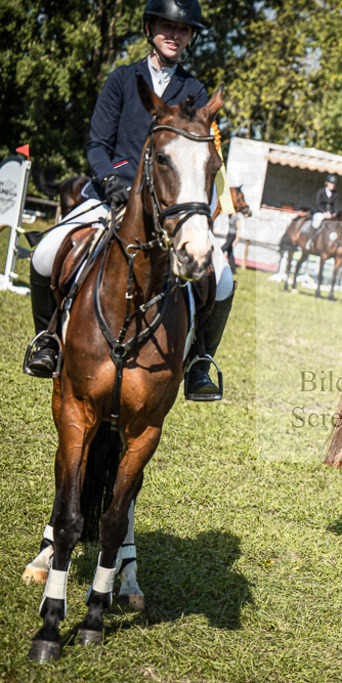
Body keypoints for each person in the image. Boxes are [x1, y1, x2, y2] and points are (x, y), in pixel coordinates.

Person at [24, 0, 234, 401]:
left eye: (184, 30)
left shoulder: (194, 90)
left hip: (168, 204)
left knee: (221, 278)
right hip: (113, 194)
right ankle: (48, 341)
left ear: (191, 37)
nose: (175, 35)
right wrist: (110, 180)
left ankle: (199, 363)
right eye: (166, 27)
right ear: (150, 29)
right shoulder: (122, 79)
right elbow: (98, 143)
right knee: (45, 252)